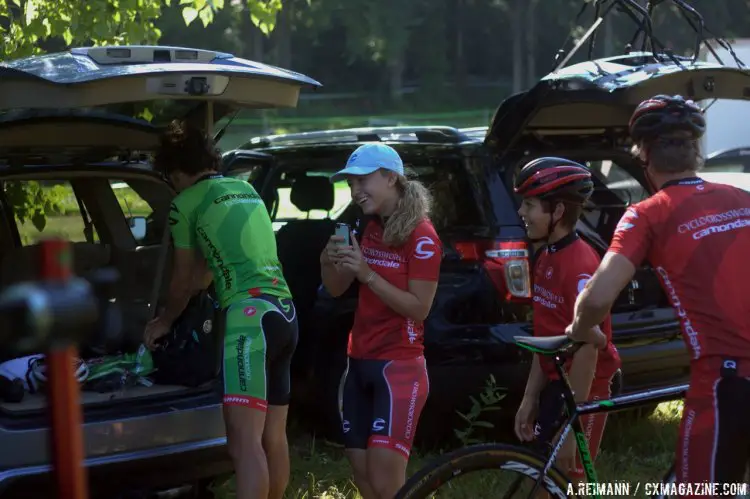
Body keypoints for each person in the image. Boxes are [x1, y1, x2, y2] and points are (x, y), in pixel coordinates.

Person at [567, 94, 750, 490]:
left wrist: (583, 330)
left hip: (725, 380)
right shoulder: (743, 199)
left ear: (643, 155)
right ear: (696, 153)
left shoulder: (648, 214)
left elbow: (597, 298)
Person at [143, 120, 298, 499]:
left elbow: (182, 282)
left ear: (176, 170)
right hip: (285, 313)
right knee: (273, 437)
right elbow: (213, 269)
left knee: (244, 444)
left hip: (249, 321)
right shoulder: (245, 190)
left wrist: (163, 322)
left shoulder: (185, 203)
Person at [320, 143, 442, 499]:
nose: (355, 191)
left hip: (398, 368)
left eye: (362, 181)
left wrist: (366, 273)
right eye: (350, 183)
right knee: (364, 476)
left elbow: (419, 308)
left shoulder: (422, 236)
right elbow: (335, 288)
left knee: (386, 481)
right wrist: (330, 261)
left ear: (391, 178)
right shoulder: (365, 223)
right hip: (358, 362)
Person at [513, 157, 621, 482]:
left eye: (529, 205)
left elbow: (588, 346)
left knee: (568, 479)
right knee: (544, 480)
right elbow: (545, 336)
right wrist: (530, 397)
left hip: (587, 385)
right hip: (560, 381)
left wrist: (571, 432)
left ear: (557, 212)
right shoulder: (545, 255)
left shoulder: (580, 266)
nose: (521, 213)